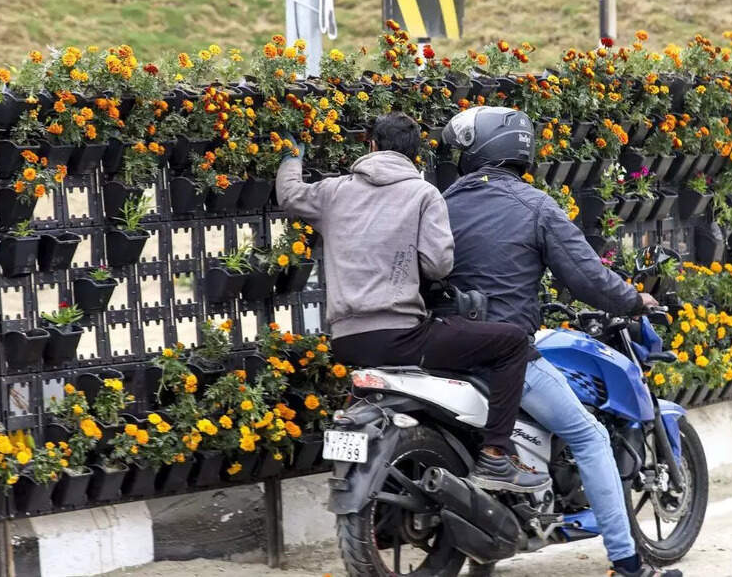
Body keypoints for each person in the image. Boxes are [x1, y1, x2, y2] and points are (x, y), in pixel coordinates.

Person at [440, 106, 679, 577]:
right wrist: (636, 300)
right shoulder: (536, 206)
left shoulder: (441, 203)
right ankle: (629, 564)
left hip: (442, 348)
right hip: (505, 354)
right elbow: (588, 278)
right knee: (590, 437)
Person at [276, 111, 549, 493]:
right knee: (511, 343)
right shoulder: (423, 194)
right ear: (416, 156)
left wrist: (292, 155)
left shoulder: (334, 192)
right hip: (401, 338)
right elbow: (439, 265)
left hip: (346, 340)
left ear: (370, 146)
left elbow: (289, 195)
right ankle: (495, 457)